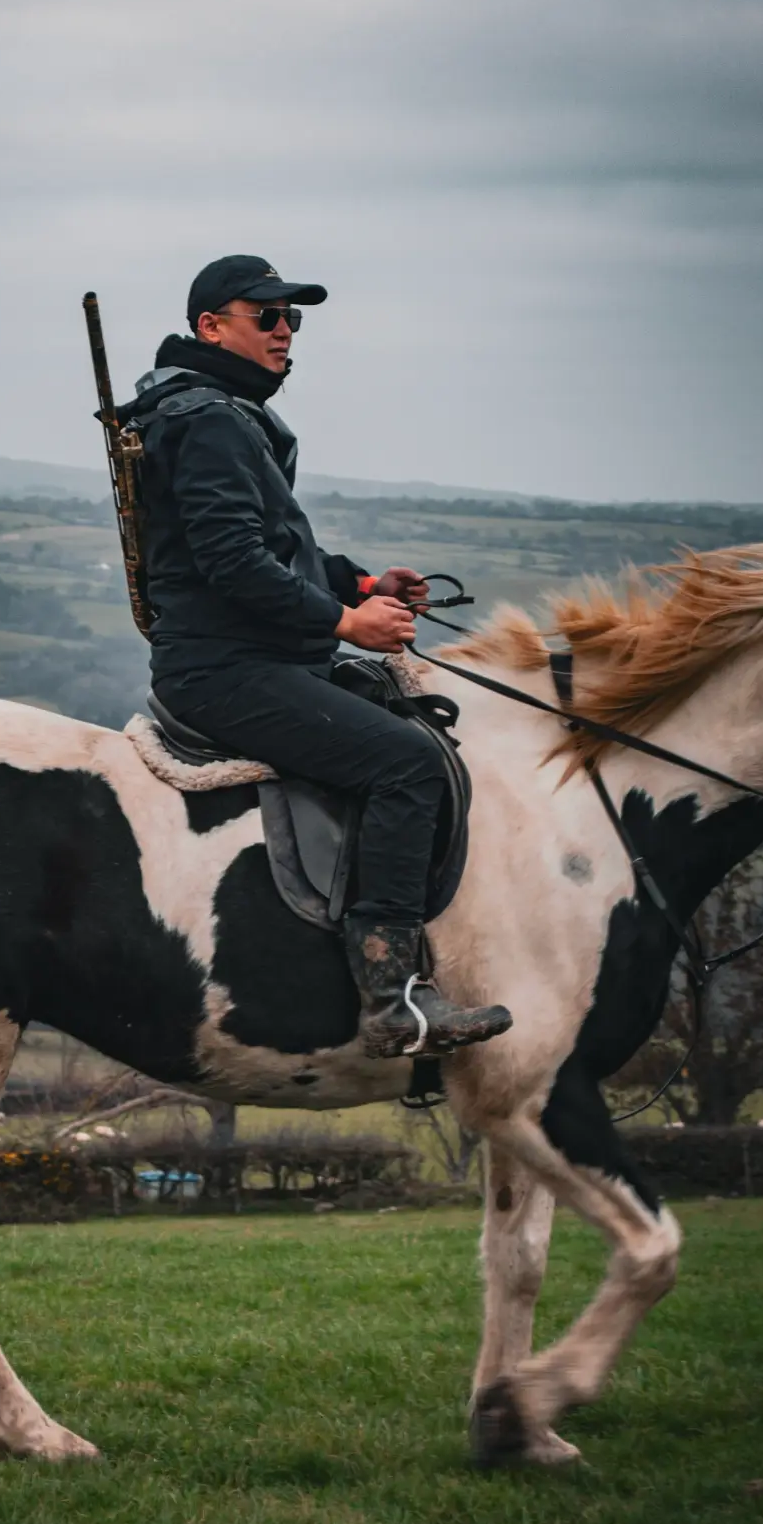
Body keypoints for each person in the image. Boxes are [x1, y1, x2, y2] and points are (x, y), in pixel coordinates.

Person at [126, 254, 511, 1060]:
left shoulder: (213, 410)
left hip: (243, 655)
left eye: (292, 318)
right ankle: (394, 998)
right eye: (265, 316)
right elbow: (234, 564)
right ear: (211, 327)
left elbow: (274, 550)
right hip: (227, 670)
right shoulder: (211, 419)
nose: (285, 332)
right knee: (406, 764)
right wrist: (346, 620)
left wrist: (366, 581)